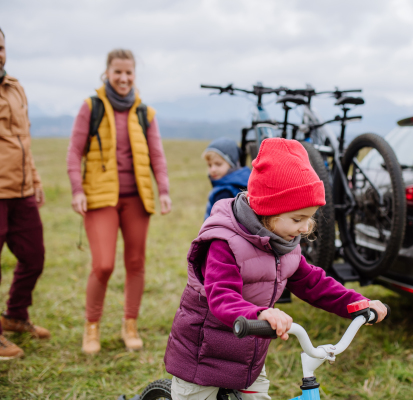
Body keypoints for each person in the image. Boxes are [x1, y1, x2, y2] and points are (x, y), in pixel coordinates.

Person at [164, 138, 387, 399]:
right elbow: (221, 296)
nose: (305, 228)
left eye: (310, 218)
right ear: (268, 211)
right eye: (297, 218)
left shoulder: (284, 242)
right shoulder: (224, 243)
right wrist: (259, 314)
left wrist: (356, 303)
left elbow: (313, 283)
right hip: (203, 356)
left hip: (247, 356)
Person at [67, 49, 172, 354]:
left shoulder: (145, 113)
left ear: (134, 75)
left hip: (137, 200)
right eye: (118, 72)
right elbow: (74, 152)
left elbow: (157, 156)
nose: (124, 78)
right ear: (107, 73)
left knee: (136, 263)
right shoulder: (92, 107)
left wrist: (163, 190)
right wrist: (77, 189)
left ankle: (130, 324)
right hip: (100, 199)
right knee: (103, 265)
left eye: (129, 73)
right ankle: (91, 327)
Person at [0, 27, 50, 360]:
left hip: (21, 191)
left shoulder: (15, 88)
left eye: (0, 47)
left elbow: (24, 139)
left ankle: (15, 316)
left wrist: (34, 179)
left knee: (33, 256)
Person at [203, 138, 251, 220]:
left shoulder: (224, 192)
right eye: (210, 165)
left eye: (218, 164)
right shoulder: (246, 180)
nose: (213, 169)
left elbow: (219, 222)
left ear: (232, 164)